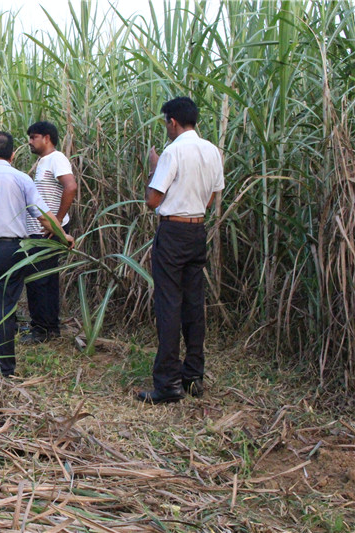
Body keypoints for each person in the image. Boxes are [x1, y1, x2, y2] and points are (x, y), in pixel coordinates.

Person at [0, 132, 74, 377]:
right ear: (12, 154)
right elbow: (42, 215)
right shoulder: (22, 179)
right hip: (12, 251)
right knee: (5, 308)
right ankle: (5, 367)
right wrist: (64, 235)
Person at [137, 96, 225, 404]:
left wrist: (152, 167)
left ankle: (167, 384)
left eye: (166, 123)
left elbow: (152, 200)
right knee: (192, 303)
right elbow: (213, 198)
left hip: (173, 232)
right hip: (197, 230)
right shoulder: (212, 150)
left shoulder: (172, 152)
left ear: (172, 122)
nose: (166, 128)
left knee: (169, 305)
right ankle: (193, 376)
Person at [22, 121, 78, 343]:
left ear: (47, 138)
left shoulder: (56, 159)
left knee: (39, 280)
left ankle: (42, 330)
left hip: (46, 231)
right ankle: (47, 327)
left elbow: (71, 186)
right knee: (43, 279)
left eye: (33, 137)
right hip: (42, 230)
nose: (30, 142)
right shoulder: (45, 162)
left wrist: (56, 223)